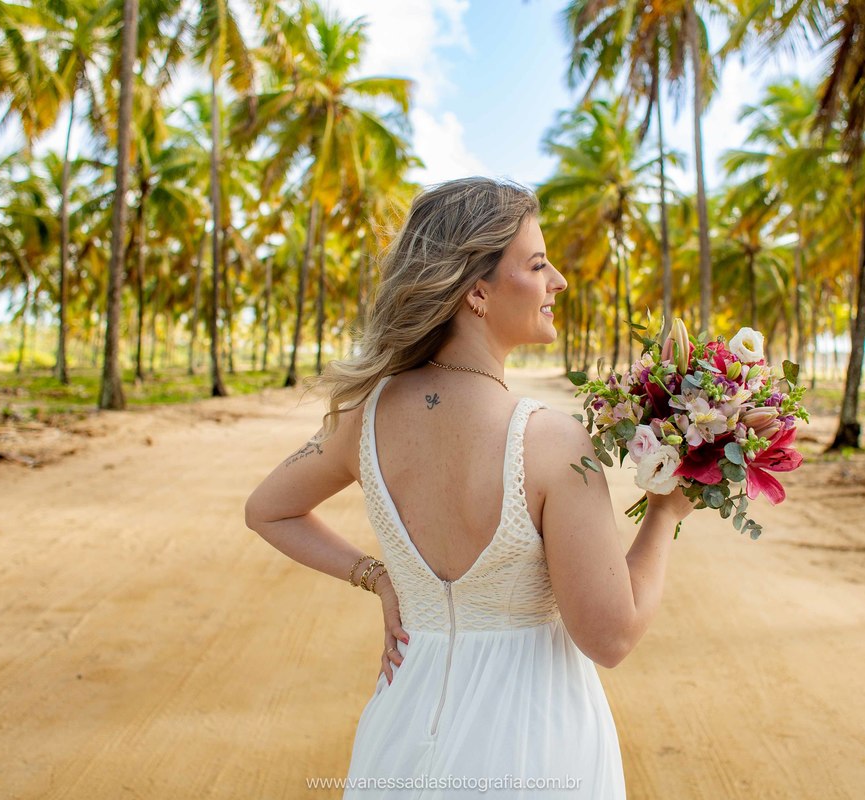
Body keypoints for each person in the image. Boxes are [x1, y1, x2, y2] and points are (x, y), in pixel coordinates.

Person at [243, 177, 693, 798]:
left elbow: (268, 510)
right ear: (477, 292)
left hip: (402, 730)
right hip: (534, 743)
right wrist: (667, 510)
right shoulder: (553, 442)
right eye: (537, 265)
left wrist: (379, 576)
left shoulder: (362, 419)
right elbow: (611, 635)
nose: (558, 281)